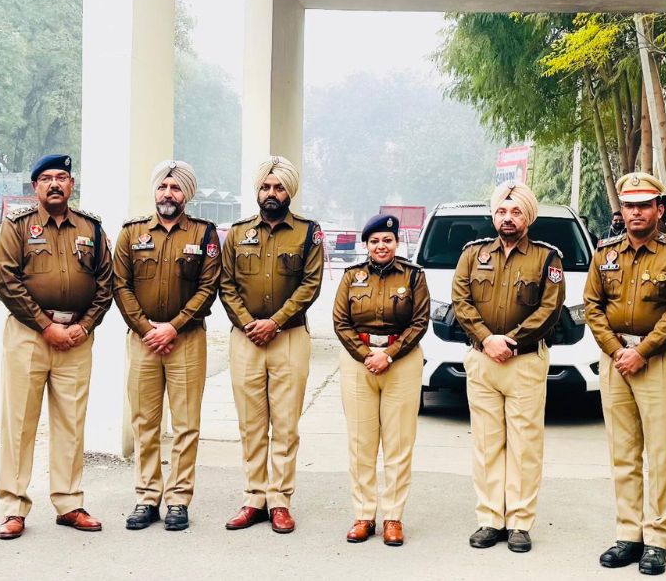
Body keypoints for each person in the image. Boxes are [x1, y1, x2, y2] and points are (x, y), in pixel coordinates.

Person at [0, 154, 114, 540]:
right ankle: (14, 507)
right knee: (20, 422)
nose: (55, 184)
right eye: (47, 178)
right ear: (35, 188)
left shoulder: (91, 228)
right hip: (29, 334)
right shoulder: (17, 226)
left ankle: (69, 503)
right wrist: (46, 326)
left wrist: (84, 326)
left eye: (62, 177)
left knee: (71, 421)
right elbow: (6, 281)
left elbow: (105, 284)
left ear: (71, 185)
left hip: (76, 337)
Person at [583, 172, 666, 576]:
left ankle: (657, 540)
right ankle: (628, 535)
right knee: (623, 453)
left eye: (644, 205)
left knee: (660, 455)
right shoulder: (605, 251)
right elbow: (592, 307)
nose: (636, 212)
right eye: (629, 205)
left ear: (659, 209)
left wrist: (642, 352)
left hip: (658, 360)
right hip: (616, 361)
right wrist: (618, 352)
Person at [452, 180, 564, 554]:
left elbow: (549, 309)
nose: (508, 218)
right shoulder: (472, 253)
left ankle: (519, 522)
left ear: (528, 217)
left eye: (516, 212)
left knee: (524, 445)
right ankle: (490, 519)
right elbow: (461, 300)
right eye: (502, 211)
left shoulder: (547, 258)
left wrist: (509, 341)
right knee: (486, 443)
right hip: (483, 360)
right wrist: (487, 339)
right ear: (493, 215)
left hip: (525, 362)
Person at [111, 160, 221, 533]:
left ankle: (178, 499)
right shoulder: (132, 232)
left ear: (186, 194)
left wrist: (173, 327)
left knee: (186, 423)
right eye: (162, 187)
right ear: (154, 191)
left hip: (187, 339)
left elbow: (209, 288)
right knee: (145, 422)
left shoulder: (205, 234)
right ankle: (146, 497)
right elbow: (120, 285)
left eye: (175, 188)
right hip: (143, 342)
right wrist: (146, 329)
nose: (168, 194)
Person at [219, 156, 324, 533]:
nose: (272, 193)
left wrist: (275, 322)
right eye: (266, 187)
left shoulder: (308, 233)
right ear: (257, 190)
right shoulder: (237, 232)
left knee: (285, 423)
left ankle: (280, 500)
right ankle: (254, 497)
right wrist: (250, 323)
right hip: (245, 338)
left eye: (279, 187)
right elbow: (226, 285)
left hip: (290, 337)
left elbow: (310, 285)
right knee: (251, 423)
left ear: (290, 191)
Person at [331, 213, 430, 546]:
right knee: (361, 443)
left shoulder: (414, 277)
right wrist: (366, 356)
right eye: (374, 241)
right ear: (367, 245)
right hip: (359, 361)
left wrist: (388, 354)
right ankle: (363, 514)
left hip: (400, 361)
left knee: (399, 444)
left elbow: (419, 322)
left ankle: (393, 517)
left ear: (396, 242)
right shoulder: (351, 276)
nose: (381, 246)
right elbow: (340, 322)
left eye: (387, 240)